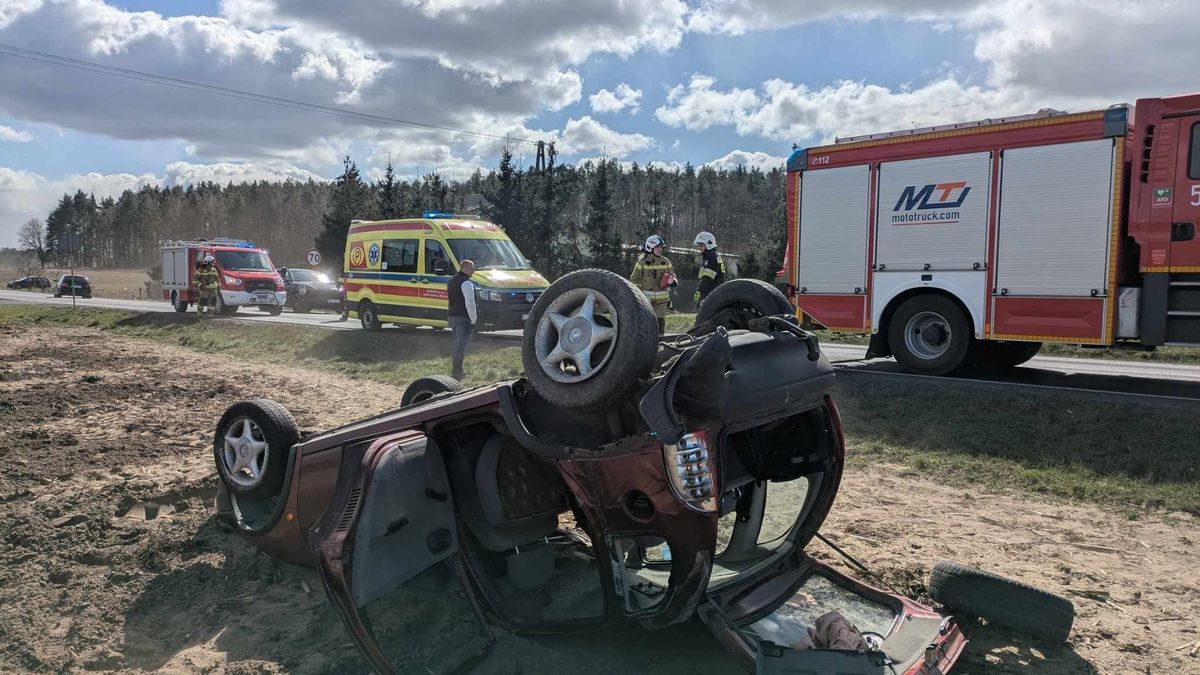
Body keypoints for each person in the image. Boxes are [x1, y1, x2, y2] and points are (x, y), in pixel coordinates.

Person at [630, 235, 675, 335]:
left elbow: (673, 276)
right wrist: (640, 294)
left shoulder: (666, 261)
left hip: (662, 301)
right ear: (650, 248)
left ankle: (660, 342)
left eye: (661, 247)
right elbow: (634, 280)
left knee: (660, 324)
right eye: (657, 247)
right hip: (646, 301)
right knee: (646, 324)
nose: (660, 250)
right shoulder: (642, 263)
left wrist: (672, 281)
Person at [447, 259, 477, 380]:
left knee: (457, 345)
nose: (473, 271)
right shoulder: (466, 283)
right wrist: (473, 318)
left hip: (452, 316)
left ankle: (456, 369)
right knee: (461, 346)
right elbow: (470, 302)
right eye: (472, 268)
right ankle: (457, 372)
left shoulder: (451, 281)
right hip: (463, 317)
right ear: (465, 268)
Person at [693, 231, 725, 307]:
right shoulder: (712, 256)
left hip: (710, 294)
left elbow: (707, 278)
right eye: (699, 245)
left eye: (701, 245)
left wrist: (700, 290)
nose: (699, 248)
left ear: (709, 244)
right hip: (714, 293)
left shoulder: (711, 256)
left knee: (705, 313)